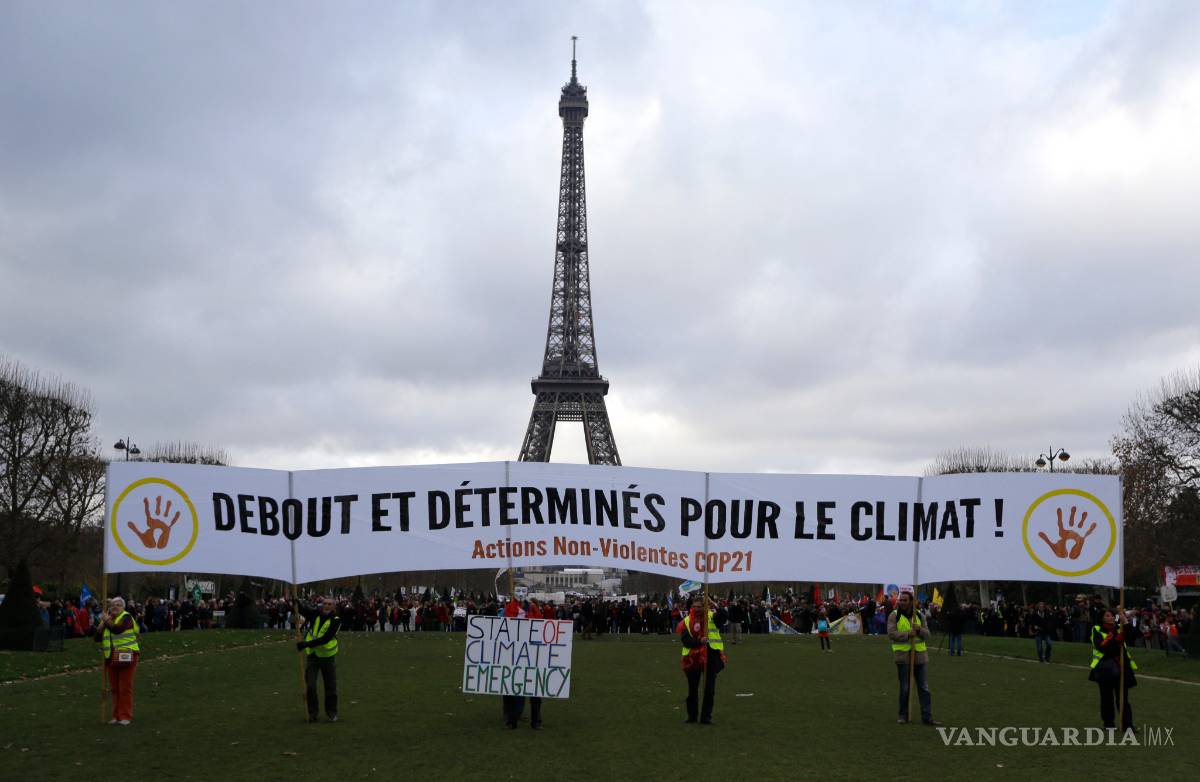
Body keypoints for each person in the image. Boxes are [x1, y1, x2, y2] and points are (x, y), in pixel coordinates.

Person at [887, 591, 939, 726]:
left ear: (911, 601)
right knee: (905, 687)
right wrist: (907, 634)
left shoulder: (920, 616)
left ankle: (927, 717)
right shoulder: (894, 615)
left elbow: (927, 634)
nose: (902, 602)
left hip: (919, 656)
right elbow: (891, 634)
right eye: (900, 600)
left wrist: (919, 630)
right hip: (903, 657)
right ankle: (903, 715)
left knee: (924, 687)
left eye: (905, 600)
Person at [678, 593, 727, 725]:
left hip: (710, 655)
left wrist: (713, 604)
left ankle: (706, 717)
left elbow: (724, 616)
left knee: (709, 689)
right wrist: (699, 641)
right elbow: (685, 640)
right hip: (692, 658)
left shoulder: (712, 617)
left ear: (704, 606)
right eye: (694, 606)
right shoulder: (687, 620)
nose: (696, 608)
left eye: (699, 606)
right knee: (692, 689)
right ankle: (692, 716)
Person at [94, 597, 140, 725]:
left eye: (119, 605)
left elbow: (118, 630)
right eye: (113, 605)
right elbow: (97, 638)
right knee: (115, 688)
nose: (115, 607)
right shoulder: (107, 620)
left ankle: (125, 716)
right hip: (111, 657)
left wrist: (106, 620)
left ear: (123, 607)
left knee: (125, 687)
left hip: (127, 654)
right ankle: (116, 715)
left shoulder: (126, 617)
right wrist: (101, 625)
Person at [1088, 608, 1136, 731]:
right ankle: (1108, 724)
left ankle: (1127, 725)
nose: (1110, 617)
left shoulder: (1119, 627)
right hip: (1105, 669)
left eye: (1112, 615)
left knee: (1123, 699)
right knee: (1106, 698)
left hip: (1121, 668)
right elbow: (1103, 647)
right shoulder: (1097, 629)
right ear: (1103, 618)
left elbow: (1133, 635)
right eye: (1108, 615)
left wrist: (1125, 621)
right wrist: (1117, 640)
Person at [296, 596, 341, 723]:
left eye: (329, 604)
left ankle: (331, 712)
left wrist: (306, 644)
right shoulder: (316, 614)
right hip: (313, 657)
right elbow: (304, 610)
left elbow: (326, 638)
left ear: (334, 607)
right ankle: (312, 712)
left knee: (330, 687)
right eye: (325, 603)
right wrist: (296, 602)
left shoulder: (336, 620)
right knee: (310, 686)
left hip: (328, 658)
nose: (326, 606)